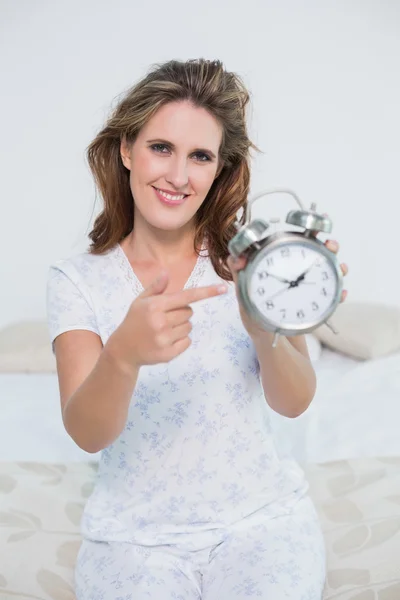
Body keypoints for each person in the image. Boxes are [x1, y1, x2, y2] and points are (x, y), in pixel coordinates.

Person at [47, 58, 348, 600]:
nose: (179, 176)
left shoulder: (250, 263)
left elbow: (295, 401)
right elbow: (86, 432)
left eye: (200, 156)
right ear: (126, 149)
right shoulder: (77, 281)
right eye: (161, 147)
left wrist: (264, 330)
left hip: (260, 526)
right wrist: (122, 357)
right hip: (134, 543)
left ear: (218, 170)